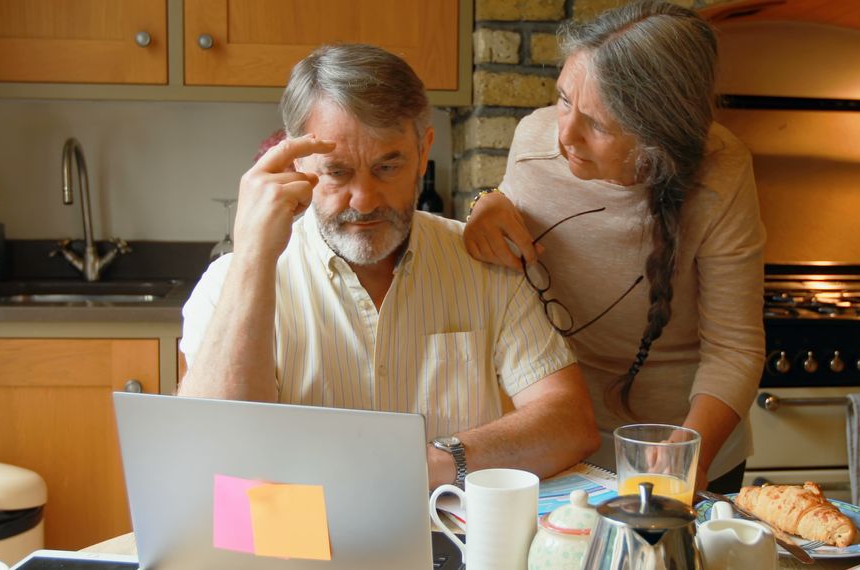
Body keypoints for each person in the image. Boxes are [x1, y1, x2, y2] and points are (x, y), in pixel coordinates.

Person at [178, 43, 600, 489]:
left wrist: (432, 464)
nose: (364, 200)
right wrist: (253, 257)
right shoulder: (232, 280)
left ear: (423, 151)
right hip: (296, 550)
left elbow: (570, 423)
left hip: (449, 541)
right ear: (295, 160)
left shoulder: (483, 265)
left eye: (387, 166)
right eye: (337, 172)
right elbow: (212, 457)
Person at [463, 0, 765, 494]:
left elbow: (734, 349)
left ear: (658, 135)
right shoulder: (534, 139)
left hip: (682, 442)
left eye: (598, 125)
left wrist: (686, 461)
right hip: (553, 444)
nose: (565, 136)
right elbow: (505, 257)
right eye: (563, 100)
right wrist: (485, 203)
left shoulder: (722, 172)